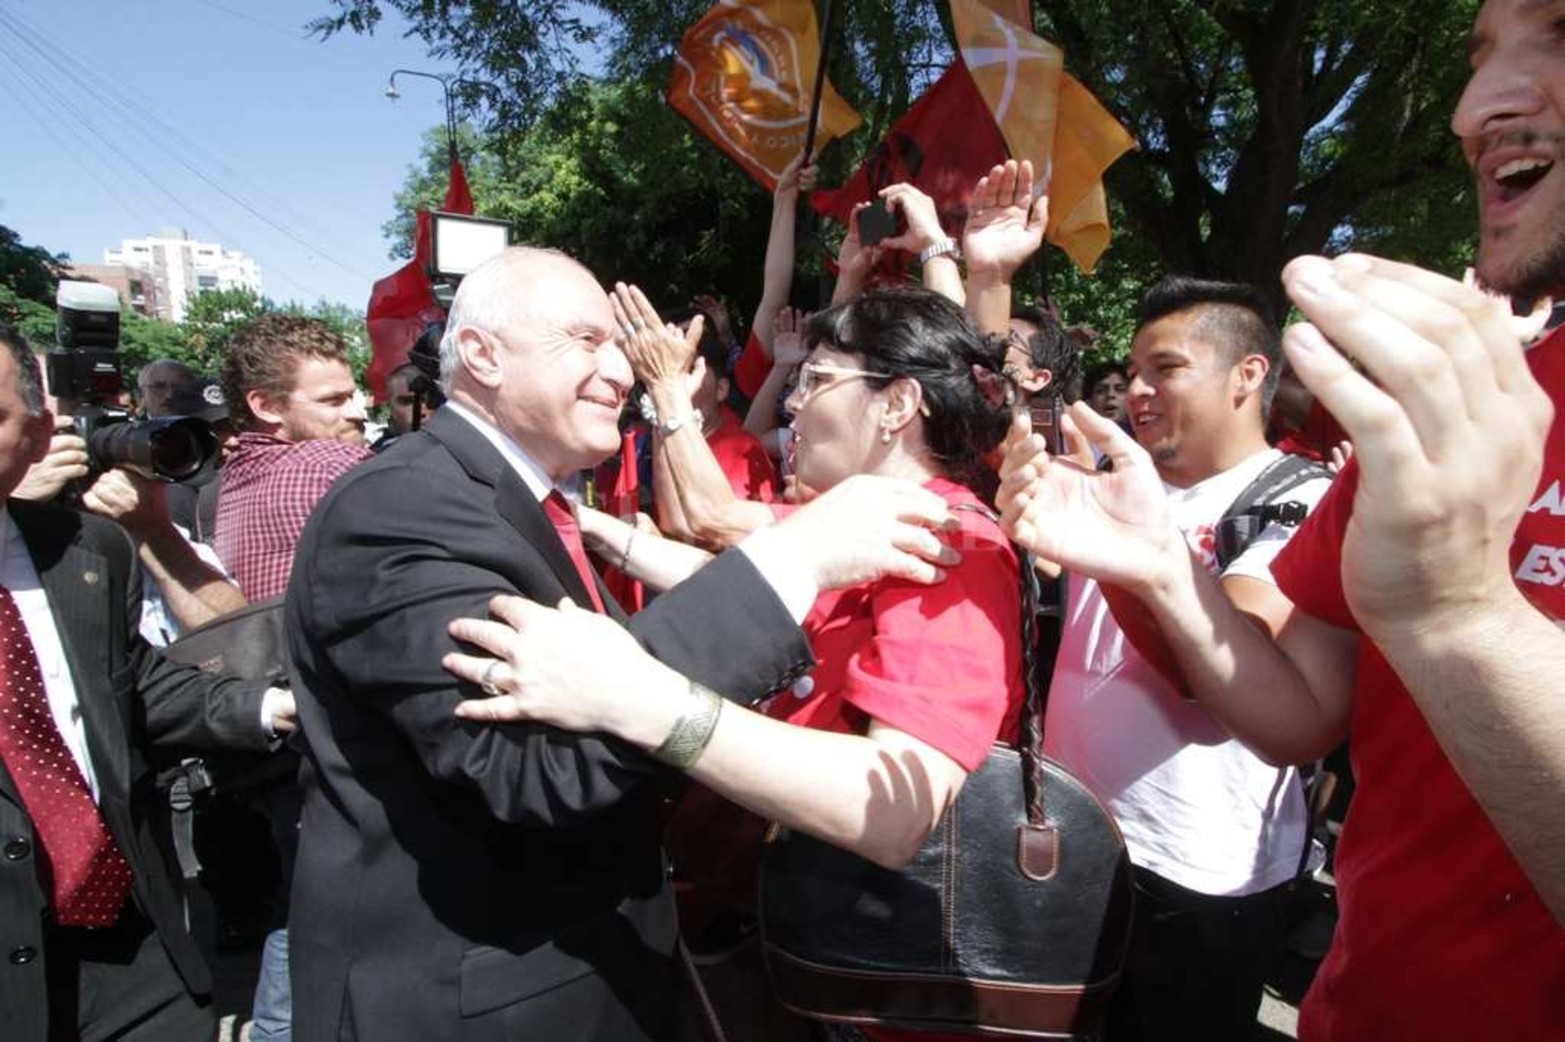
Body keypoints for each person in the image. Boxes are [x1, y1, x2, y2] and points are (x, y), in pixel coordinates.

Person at [995, 2, 1565, 1037]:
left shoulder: (1303, 479)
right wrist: (1156, 569)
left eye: (1559, 32)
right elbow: (1297, 717)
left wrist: (1458, 615)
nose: (1472, 107)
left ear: (1249, 375)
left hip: (1205, 893)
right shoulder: (1443, 416)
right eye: (1478, 55)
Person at [284, 246, 962, 1042]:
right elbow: (534, 764)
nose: (621, 371)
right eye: (586, 341)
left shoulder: (517, 501)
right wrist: (797, 558)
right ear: (481, 354)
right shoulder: (405, 507)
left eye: (618, 345)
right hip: (480, 1001)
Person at [445, 283, 1027, 1042]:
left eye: (815, 379)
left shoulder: (951, 550)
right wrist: (577, 522)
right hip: (790, 943)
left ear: (896, 405)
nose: (792, 403)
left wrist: (638, 700)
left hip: (859, 1000)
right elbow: (738, 577)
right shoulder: (860, 522)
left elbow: (894, 811)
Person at [1050, 276, 1334, 1042]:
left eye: (1165, 368)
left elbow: (1220, 678)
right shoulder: (1117, 481)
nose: (1136, 390)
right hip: (1071, 838)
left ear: (1247, 374)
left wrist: (1116, 558)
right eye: (1132, 371)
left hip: (1199, 874)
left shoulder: (1299, 499)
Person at [0, 324, 287, 1042]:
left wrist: (274, 706)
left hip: (127, 950)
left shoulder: (85, 551)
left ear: (38, 433)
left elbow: (134, 685)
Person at [214, 314, 372, 601]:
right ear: (267, 406)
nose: (357, 413)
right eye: (332, 401)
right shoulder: (331, 466)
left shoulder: (231, 476)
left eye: (352, 397)